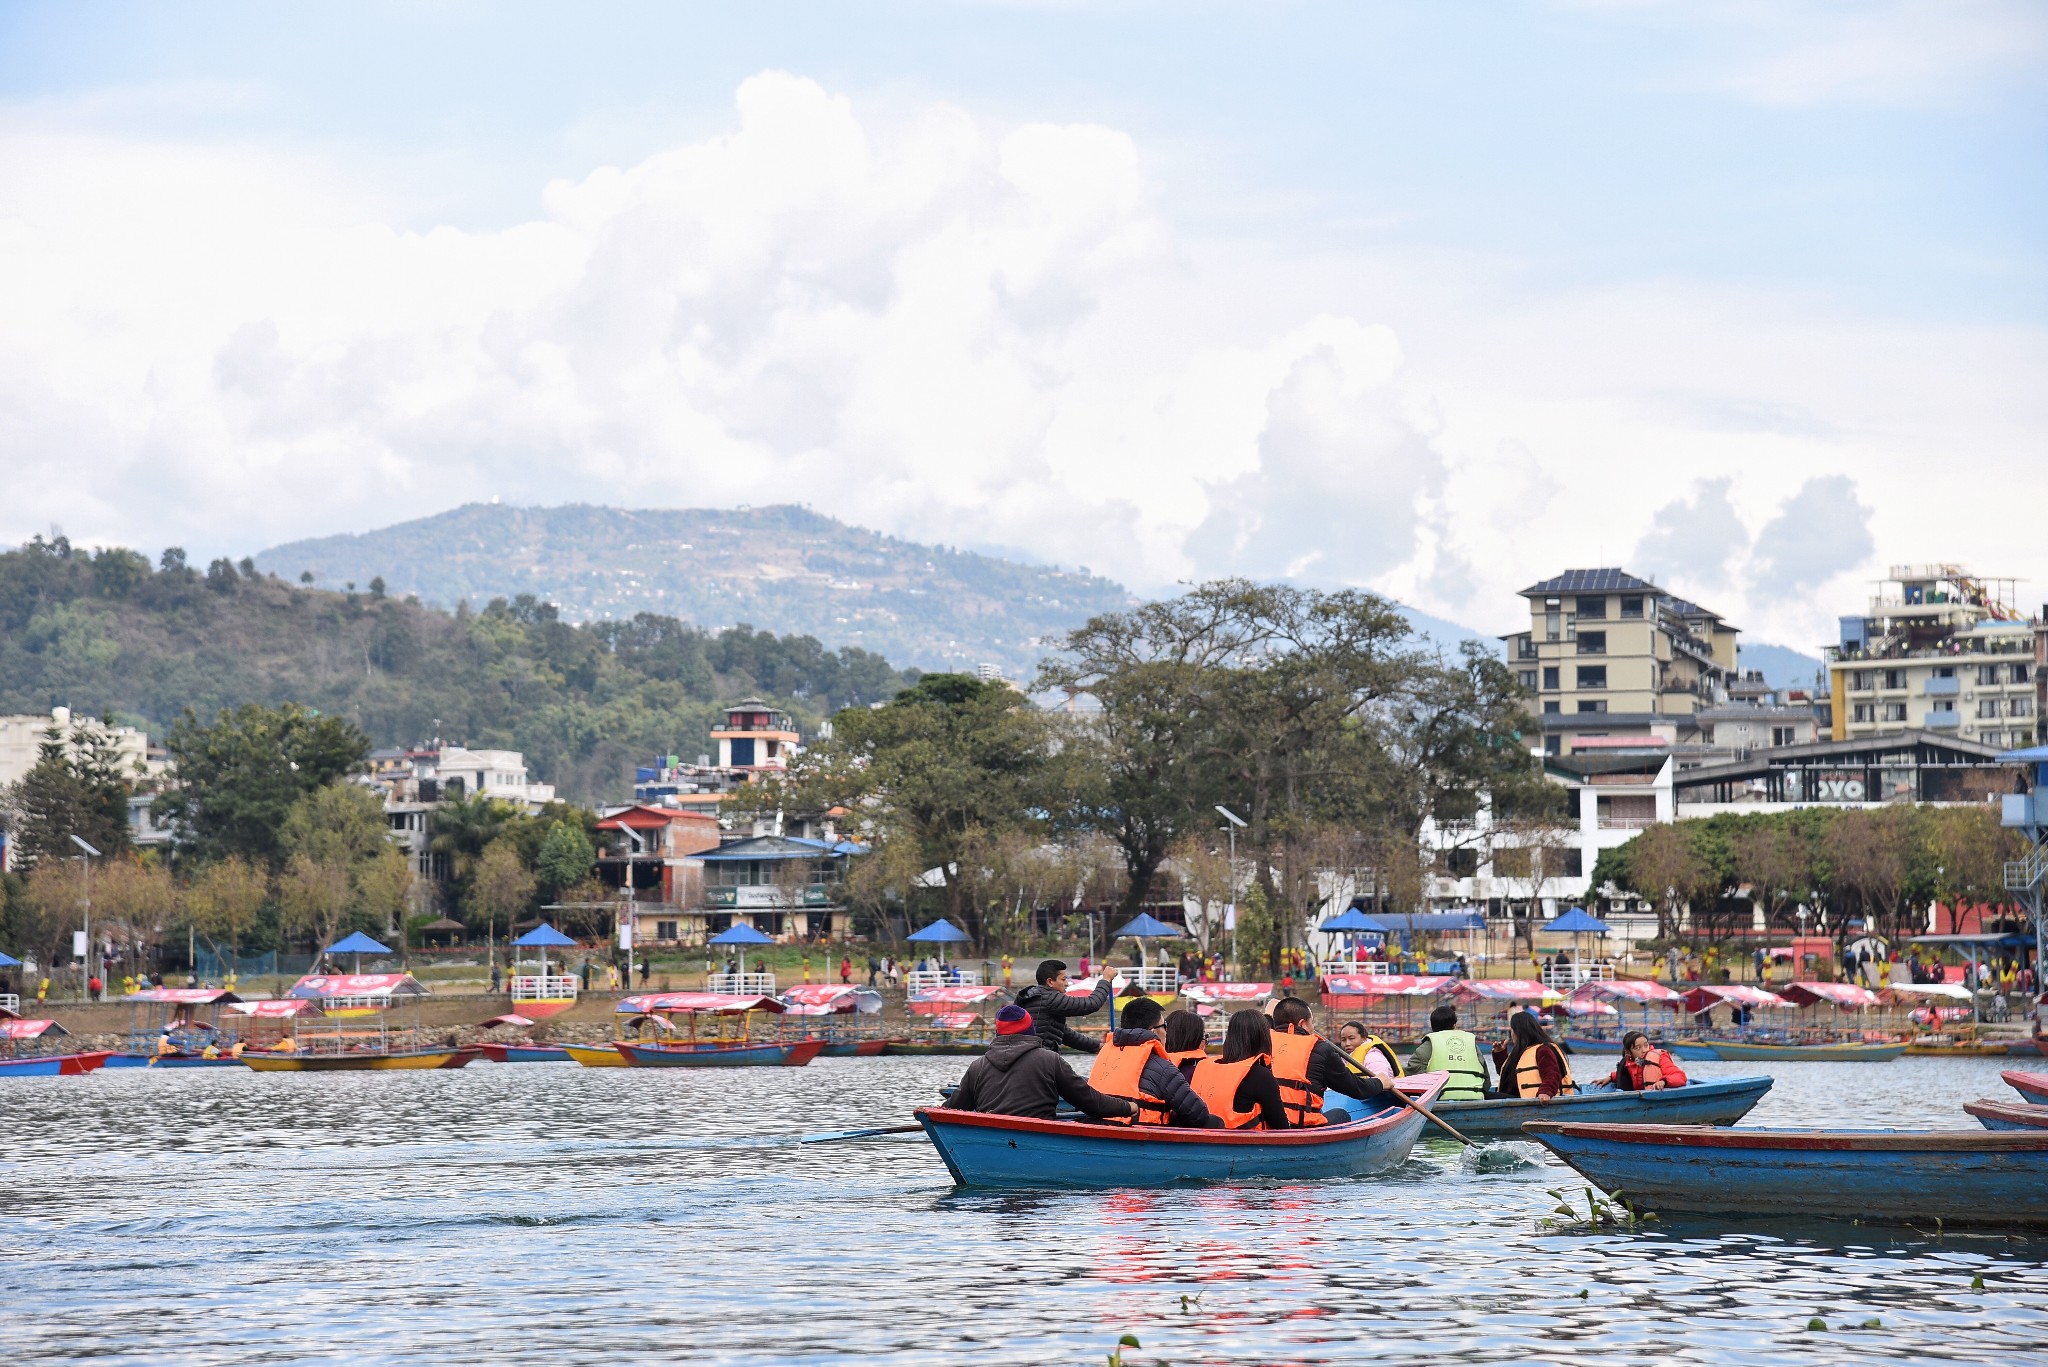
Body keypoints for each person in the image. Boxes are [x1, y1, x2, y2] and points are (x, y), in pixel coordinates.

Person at [947, 1006, 1138, 1122]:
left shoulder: (977, 1066)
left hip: (989, 1140)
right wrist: (1128, 1107)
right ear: (1031, 1030)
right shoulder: (1050, 1060)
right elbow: (1091, 1103)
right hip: (1039, 1135)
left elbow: (951, 1110)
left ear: (998, 1033)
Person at [1086, 996, 1216, 1127]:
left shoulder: (1105, 1055)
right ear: (1154, 1031)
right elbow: (1199, 1114)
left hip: (1098, 1126)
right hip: (1136, 1136)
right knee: (1215, 1122)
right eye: (1165, 1026)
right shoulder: (1163, 1068)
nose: (1167, 1031)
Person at [1267, 996, 1388, 1125]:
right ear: (1302, 1024)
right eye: (1311, 1022)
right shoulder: (1320, 1049)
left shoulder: (1261, 1042)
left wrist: (1268, 1015)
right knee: (1340, 1114)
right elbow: (1357, 1089)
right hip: (1300, 1127)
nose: (1313, 1028)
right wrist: (1380, 1082)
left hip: (1265, 1123)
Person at [1188, 1009, 1290, 1129]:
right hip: (1243, 1145)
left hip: (1201, 1141)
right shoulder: (1261, 1076)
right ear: (1264, 1038)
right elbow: (1281, 1127)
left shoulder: (1203, 1066)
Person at [1014, 959, 1113, 1054]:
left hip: (1027, 1059)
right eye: (1063, 979)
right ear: (1050, 982)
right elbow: (1092, 1003)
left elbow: (1066, 1035)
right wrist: (1106, 980)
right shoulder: (1050, 998)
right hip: (1039, 1060)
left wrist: (1098, 1046)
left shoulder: (1032, 996)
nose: (1067, 983)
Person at [1407, 1004, 1490, 1100]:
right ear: (1454, 1025)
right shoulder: (1471, 1043)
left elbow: (1410, 1077)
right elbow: (1486, 1082)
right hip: (1475, 1098)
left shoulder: (1427, 1046)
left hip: (1438, 1101)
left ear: (1432, 1027)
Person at [1494, 1009, 1576, 1101]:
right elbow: (1507, 1077)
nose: (1511, 1034)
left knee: (1485, 1096)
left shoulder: (1542, 1050)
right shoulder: (1520, 1052)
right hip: (1513, 1098)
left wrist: (1546, 1092)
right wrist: (1500, 1054)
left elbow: (1552, 1074)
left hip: (1529, 1100)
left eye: (1511, 1030)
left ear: (1518, 1032)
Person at [1608, 1030, 1687, 1091]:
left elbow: (1680, 1076)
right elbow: (1628, 1073)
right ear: (1629, 1053)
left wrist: (1664, 1082)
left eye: (1646, 1045)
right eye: (1638, 1048)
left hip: (1658, 1096)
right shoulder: (1630, 1063)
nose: (1644, 1050)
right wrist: (1611, 1077)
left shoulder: (1660, 1058)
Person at [1335, 1019, 1404, 1083]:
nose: (1347, 1043)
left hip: (1379, 1094)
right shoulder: (1344, 1059)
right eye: (1343, 1040)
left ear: (1364, 1038)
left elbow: (1381, 1082)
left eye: (1351, 1038)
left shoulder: (1374, 1057)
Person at [1162, 1009, 1209, 1073]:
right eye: (1204, 1036)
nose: (1205, 1043)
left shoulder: (1151, 1066)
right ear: (1194, 1040)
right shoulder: (1200, 1074)